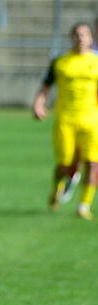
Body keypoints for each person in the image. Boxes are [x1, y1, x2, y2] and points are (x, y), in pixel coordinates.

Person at [32, 22, 98, 220]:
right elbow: (45, 87)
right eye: (77, 34)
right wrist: (38, 104)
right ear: (71, 37)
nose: (81, 38)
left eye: (84, 35)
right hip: (65, 120)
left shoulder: (96, 62)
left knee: (93, 163)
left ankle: (84, 205)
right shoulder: (60, 62)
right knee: (65, 164)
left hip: (92, 120)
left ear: (91, 38)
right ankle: (57, 189)